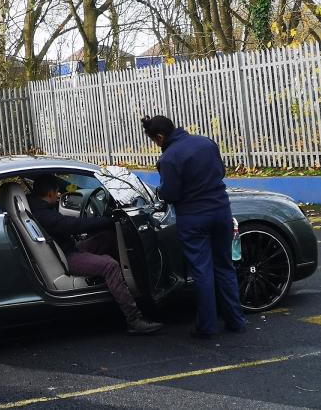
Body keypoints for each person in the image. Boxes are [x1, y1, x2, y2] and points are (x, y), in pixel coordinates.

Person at [142, 115, 246, 338]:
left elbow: (171, 193)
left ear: (160, 137)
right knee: (225, 267)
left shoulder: (169, 158)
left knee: (203, 272)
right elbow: (221, 172)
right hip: (221, 212)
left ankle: (207, 326)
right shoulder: (206, 142)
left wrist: (160, 189)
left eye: (155, 141)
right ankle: (236, 320)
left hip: (193, 218)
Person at [28, 174, 163, 335]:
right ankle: (134, 319)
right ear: (50, 193)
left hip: (64, 250)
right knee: (110, 265)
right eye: (57, 192)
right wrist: (107, 220)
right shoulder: (45, 215)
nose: (58, 195)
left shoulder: (35, 208)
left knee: (107, 237)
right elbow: (73, 225)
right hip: (66, 258)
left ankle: (121, 286)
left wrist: (104, 224)